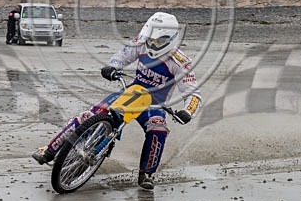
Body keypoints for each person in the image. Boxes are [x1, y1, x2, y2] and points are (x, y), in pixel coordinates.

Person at [31, 12, 201, 190]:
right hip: (130, 93)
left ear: (170, 39)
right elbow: (122, 56)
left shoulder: (181, 62)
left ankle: (147, 174)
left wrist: (187, 111)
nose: (152, 43)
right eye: (150, 38)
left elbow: (194, 94)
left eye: (157, 40)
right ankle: (49, 150)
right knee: (88, 116)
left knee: (158, 129)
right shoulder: (141, 43)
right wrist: (112, 67)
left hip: (155, 104)